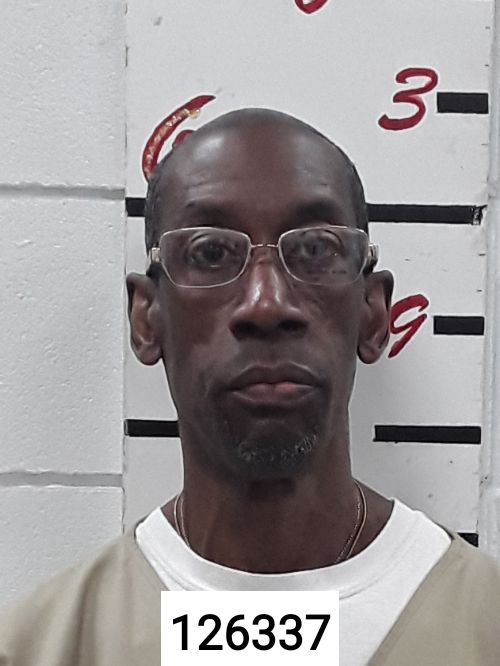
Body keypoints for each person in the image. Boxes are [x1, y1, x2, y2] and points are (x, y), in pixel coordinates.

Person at [1, 108, 499, 666]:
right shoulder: (41, 647)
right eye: (211, 253)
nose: (266, 304)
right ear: (146, 319)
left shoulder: (483, 626)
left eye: (315, 249)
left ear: (373, 314)